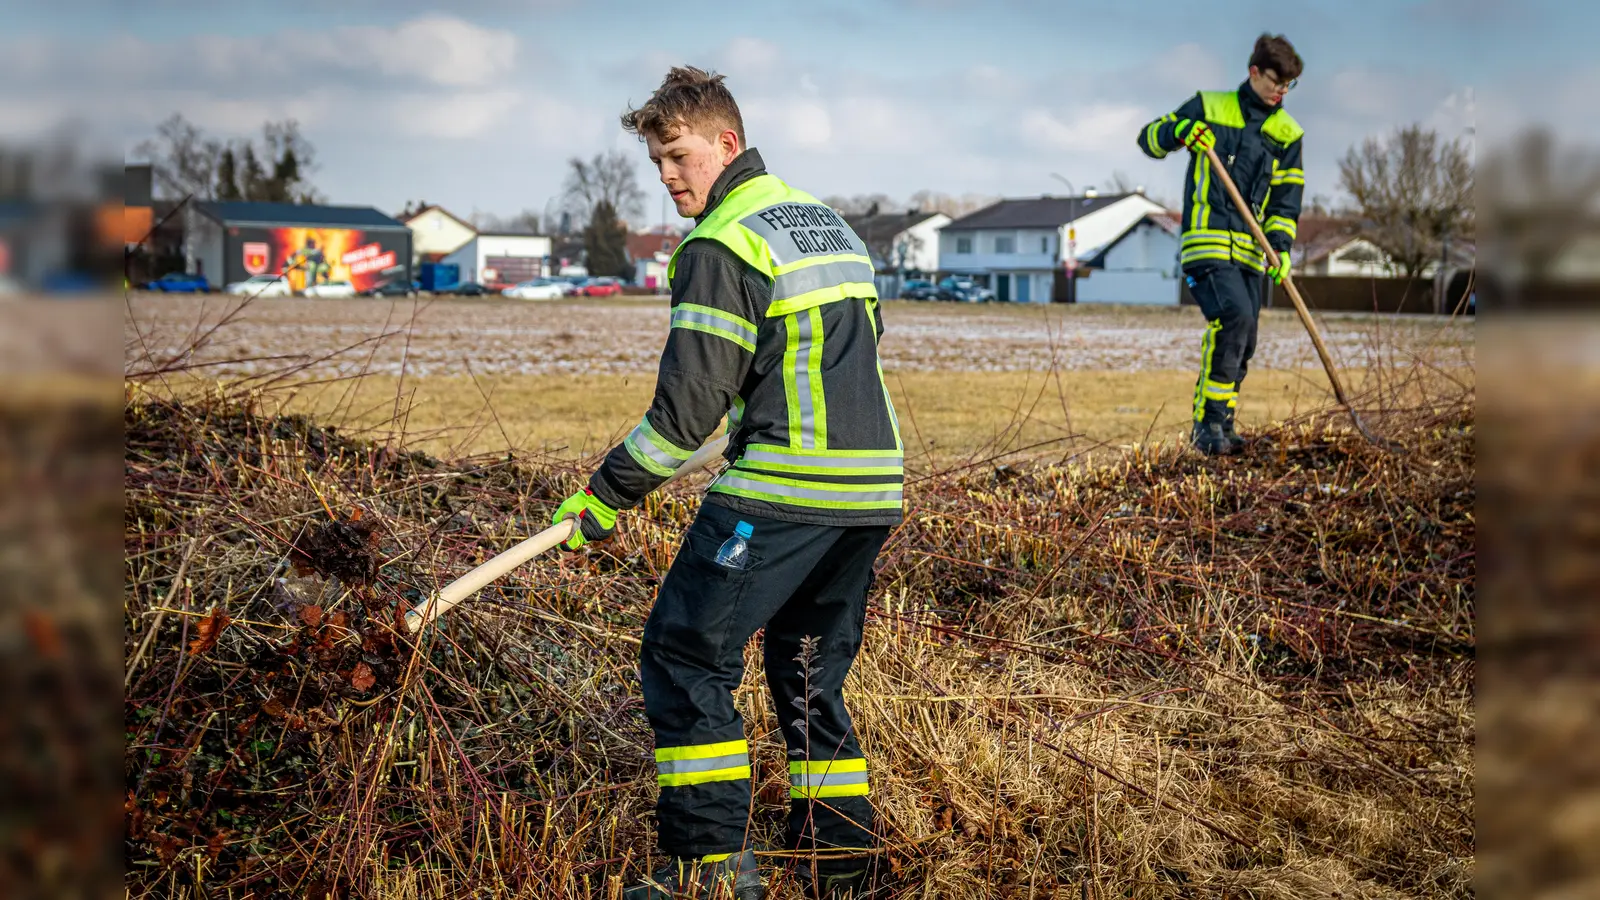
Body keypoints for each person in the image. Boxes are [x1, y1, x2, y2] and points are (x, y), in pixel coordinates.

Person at [550, 65, 904, 900]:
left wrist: (604, 496)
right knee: (807, 665)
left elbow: (683, 415)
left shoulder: (721, 242)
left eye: (678, 155)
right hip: (872, 488)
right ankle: (840, 863)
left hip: (785, 488)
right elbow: (839, 354)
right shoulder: (827, 225)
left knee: (684, 654)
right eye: (656, 162)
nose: (668, 176)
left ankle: (707, 871)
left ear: (727, 143)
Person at [1137, 33, 1306, 455]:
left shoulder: (1287, 133)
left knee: (1245, 337)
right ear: (1254, 72)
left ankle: (1225, 424)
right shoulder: (1209, 108)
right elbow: (1149, 140)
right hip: (1206, 245)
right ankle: (1207, 425)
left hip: (1252, 253)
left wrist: (1282, 246)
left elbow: (1286, 200)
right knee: (1232, 319)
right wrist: (1180, 130)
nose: (1280, 92)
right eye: (1274, 82)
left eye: (1288, 86)